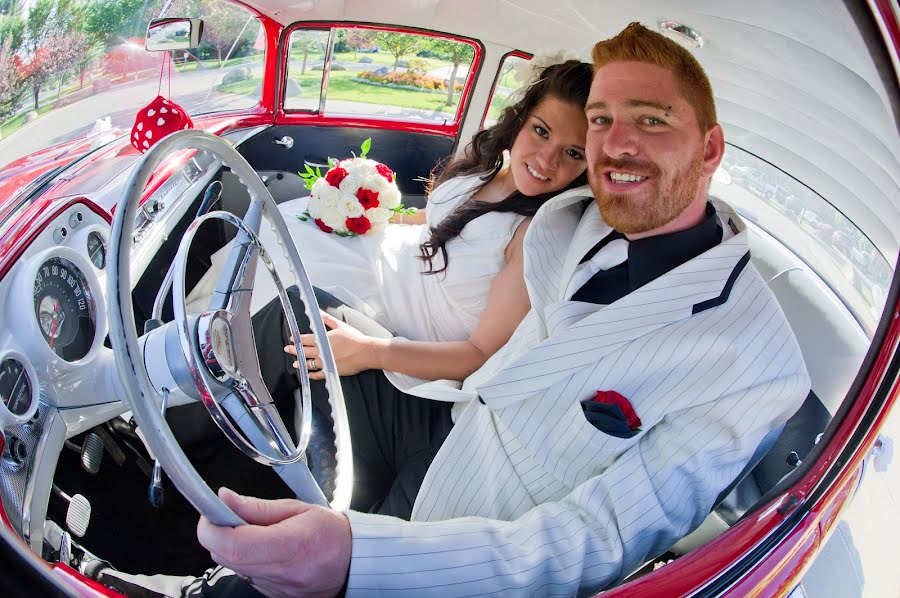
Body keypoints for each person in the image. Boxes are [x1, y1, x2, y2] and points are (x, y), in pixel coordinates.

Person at [103, 22, 810, 597]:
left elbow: (593, 539)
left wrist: (360, 561)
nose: (615, 145)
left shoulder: (754, 368)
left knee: (289, 577)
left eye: (651, 121)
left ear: (711, 147)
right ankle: (151, 450)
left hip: (484, 509)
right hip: (447, 412)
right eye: (602, 121)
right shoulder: (581, 219)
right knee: (296, 316)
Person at [192, 59, 592, 397]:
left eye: (573, 153)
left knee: (277, 295)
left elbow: (480, 354)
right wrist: (370, 215)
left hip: (406, 323)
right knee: (284, 233)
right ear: (521, 120)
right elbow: (441, 222)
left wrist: (371, 351)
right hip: (393, 256)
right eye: (541, 131)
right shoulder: (488, 165)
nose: (547, 159)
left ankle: (196, 379)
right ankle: (185, 347)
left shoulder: (534, 234)